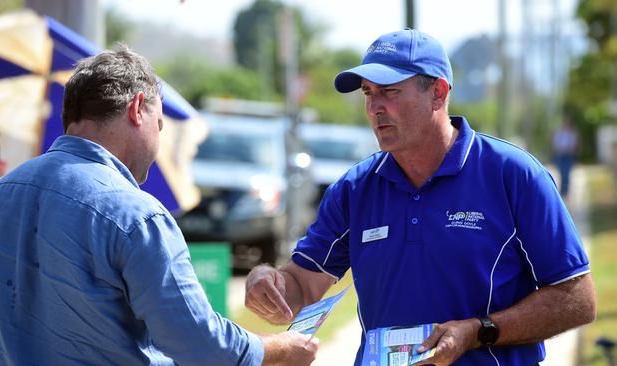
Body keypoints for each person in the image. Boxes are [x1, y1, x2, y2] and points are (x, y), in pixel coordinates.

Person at [244, 29, 596, 365]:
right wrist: (268, 283)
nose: (374, 108)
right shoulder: (355, 189)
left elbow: (577, 298)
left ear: (438, 93)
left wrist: (478, 332)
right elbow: (302, 286)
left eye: (390, 91)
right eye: (368, 93)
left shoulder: (513, 175)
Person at [0, 45, 318, 365]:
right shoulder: (136, 215)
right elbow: (206, 348)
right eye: (160, 125)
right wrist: (283, 348)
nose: (158, 142)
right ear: (137, 109)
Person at [551, 117, 579, 197]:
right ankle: (562, 191)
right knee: (561, 173)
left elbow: (574, 145)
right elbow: (555, 143)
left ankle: (565, 192)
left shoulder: (572, 133)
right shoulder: (559, 133)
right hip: (560, 155)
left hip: (568, 155)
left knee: (567, 173)